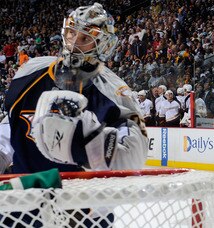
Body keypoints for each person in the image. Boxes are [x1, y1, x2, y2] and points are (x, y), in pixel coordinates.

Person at [1, 3, 148, 174]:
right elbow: (11, 125)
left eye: (85, 38)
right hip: (26, 192)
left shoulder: (114, 90)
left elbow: (134, 154)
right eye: (72, 32)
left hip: (80, 196)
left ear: (103, 45)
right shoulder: (29, 72)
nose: (73, 44)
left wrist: (93, 147)